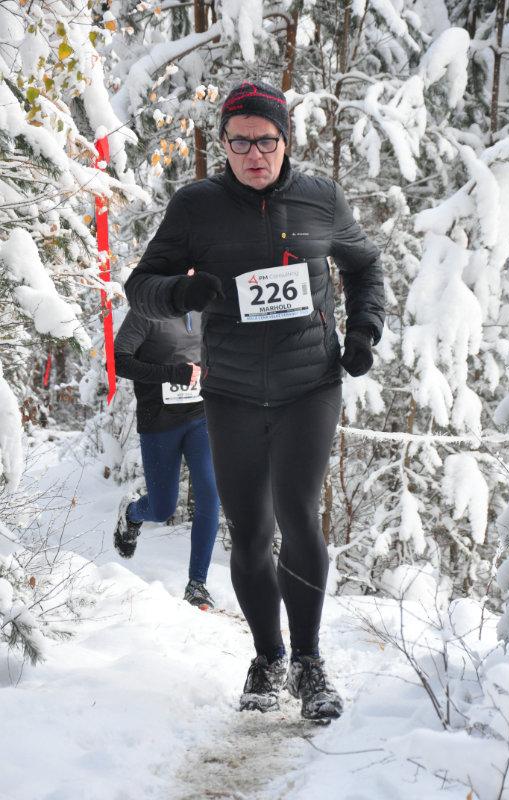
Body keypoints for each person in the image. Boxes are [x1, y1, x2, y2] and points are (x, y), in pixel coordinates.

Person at [125, 80, 385, 721]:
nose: (254, 155)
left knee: (298, 517)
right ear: (223, 145)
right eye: (239, 143)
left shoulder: (321, 198)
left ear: (285, 140)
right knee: (250, 532)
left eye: (265, 141)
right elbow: (141, 286)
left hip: (309, 386)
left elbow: (364, 266)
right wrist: (180, 294)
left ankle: (308, 663)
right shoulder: (196, 207)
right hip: (233, 391)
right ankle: (268, 657)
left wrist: (363, 331)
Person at [113, 307, 220, 610]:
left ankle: (197, 584)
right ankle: (132, 513)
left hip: (201, 415)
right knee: (162, 509)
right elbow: (119, 361)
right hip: (159, 421)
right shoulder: (147, 310)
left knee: (210, 494)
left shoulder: (207, 304)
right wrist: (172, 373)